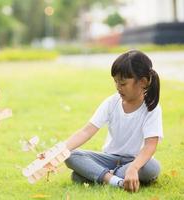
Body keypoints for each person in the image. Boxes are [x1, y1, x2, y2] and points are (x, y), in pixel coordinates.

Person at [64, 50, 163, 193]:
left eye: (123, 83)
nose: (118, 87)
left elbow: (150, 146)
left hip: (136, 161)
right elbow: (86, 131)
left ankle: (98, 175)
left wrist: (133, 168)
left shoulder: (152, 108)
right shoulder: (111, 102)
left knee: (152, 168)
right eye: (115, 82)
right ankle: (115, 180)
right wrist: (59, 151)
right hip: (109, 158)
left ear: (142, 82)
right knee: (71, 155)